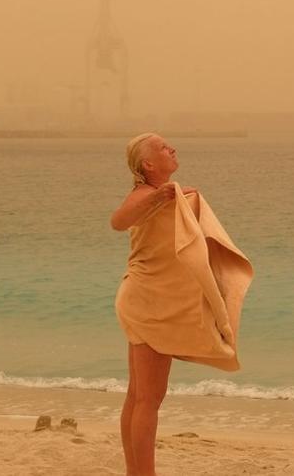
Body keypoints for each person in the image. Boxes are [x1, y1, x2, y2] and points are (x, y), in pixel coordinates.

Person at [110, 132, 253, 476]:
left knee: (137, 395)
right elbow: (118, 221)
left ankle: (136, 473)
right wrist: (159, 195)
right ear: (148, 164)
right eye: (162, 147)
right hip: (150, 303)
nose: (171, 149)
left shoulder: (175, 196)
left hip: (152, 301)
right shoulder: (144, 195)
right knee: (148, 399)